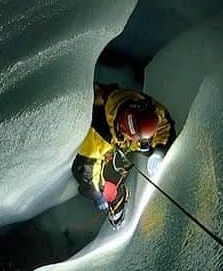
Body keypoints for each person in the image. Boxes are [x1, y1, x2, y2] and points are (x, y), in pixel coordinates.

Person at [72, 82, 176, 227]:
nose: (142, 144)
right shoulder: (99, 133)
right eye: (139, 140)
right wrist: (96, 195)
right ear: (123, 132)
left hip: (123, 135)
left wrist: (159, 150)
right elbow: (84, 169)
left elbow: (164, 125)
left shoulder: (149, 109)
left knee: (155, 146)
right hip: (106, 144)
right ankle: (116, 202)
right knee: (104, 184)